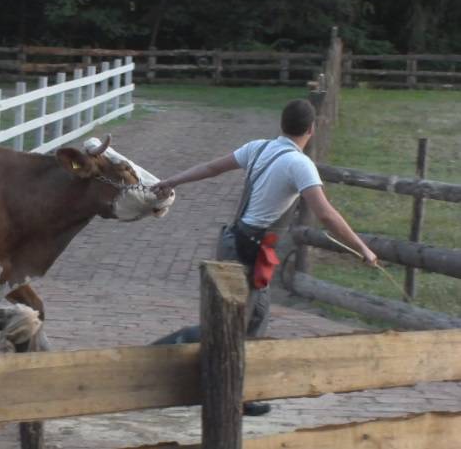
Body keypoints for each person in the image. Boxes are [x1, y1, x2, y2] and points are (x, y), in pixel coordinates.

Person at [149, 99, 377, 415]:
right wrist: (363, 248)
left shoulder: (258, 148)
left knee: (256, 317)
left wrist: (173, 180)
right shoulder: (300, 164)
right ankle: (169, 355)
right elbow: (325, 214)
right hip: (250, 251)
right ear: (312, 129)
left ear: (282, 124)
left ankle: (239, 392)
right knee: (231, 323)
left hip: (236, 241)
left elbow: (212, 167)